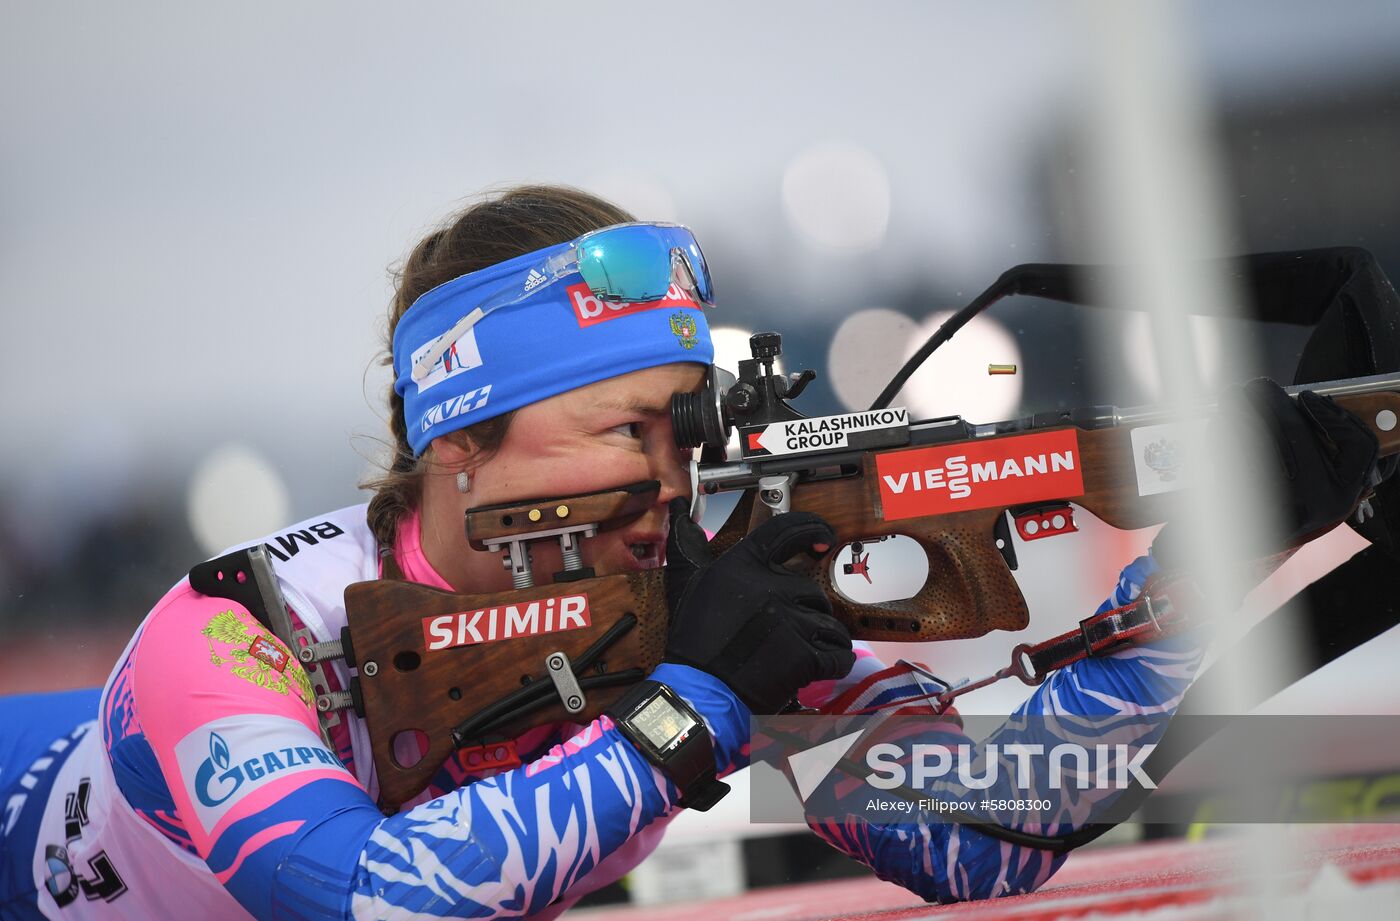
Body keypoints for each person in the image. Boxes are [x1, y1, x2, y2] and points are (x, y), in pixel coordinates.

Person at [0, 185, 1378, 919]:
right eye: (628, 430)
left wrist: (1203, 572)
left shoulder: (684, 598)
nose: (678, 479)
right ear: (461, 443)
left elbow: (986, 829)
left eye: (690, 426)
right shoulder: (235, 631)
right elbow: (367, 899)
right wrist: (688, 708)